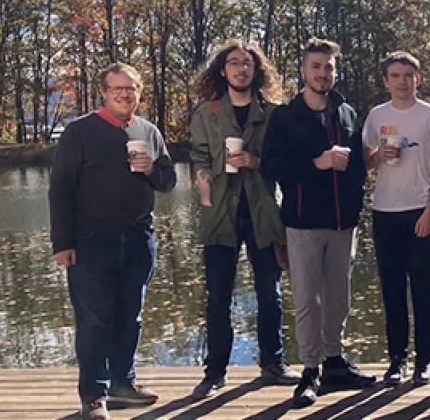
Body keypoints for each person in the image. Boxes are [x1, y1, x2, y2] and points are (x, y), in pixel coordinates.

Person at [50, 62, 178, 420]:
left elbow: (169, 181)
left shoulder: (148, 131)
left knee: (130, 317)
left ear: (139, 91)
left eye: (131, 88)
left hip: (139, 239)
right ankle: (93, 395)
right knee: (94, 321)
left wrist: (153, 169)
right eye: (117, 88)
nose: (125, 94)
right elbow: (60, 191)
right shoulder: (79, 132)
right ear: (104, 92)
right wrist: (62, 243)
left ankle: (123, 383)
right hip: (91, 241)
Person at [261, 38, 375, 408]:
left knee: (339, 297)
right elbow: (272, 166)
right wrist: (316, 163)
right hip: (303, 221)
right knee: (308, 298)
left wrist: (356, 196)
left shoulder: (346, 113)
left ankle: (335, 361)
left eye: (328, 68)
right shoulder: (284, 116)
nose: (323, 74)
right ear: (303, 72)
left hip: (344, 223)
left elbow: (357, 165)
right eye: (316, 67)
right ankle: (310, 370)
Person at [188, 41, 299, 399]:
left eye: (247, 63)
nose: (240, 69)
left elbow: (285, 162)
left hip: (263, 213)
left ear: (256, 70)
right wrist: (213, 171)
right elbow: (199, 162)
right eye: (233, 63)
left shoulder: (273, 112)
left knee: (270, 292)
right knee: (218, 296)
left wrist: (255, 162)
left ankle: (273, 363)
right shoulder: (208, 112)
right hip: (221, 215)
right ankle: (215, 372)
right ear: (222, 70)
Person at [361, 51, 430, 387]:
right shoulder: (376, 115)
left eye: (407, 75)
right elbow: (366, 162)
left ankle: (424, 359)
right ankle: (396, 359)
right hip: (384, 211)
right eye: (395, 76)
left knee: (424, 289)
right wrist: (378, 156)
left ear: (418, 79)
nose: (402, 82)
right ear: (386, 81)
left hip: (419, 211)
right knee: (392, 290)